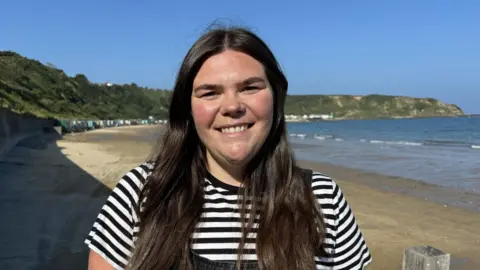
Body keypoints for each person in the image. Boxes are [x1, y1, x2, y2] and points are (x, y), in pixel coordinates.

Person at [84, 25, 372, 270]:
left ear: (276, 98)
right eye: (210, 92)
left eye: (250, 87)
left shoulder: (322, 199)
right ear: (188, 108)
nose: (232, 106)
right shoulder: (142, 193)